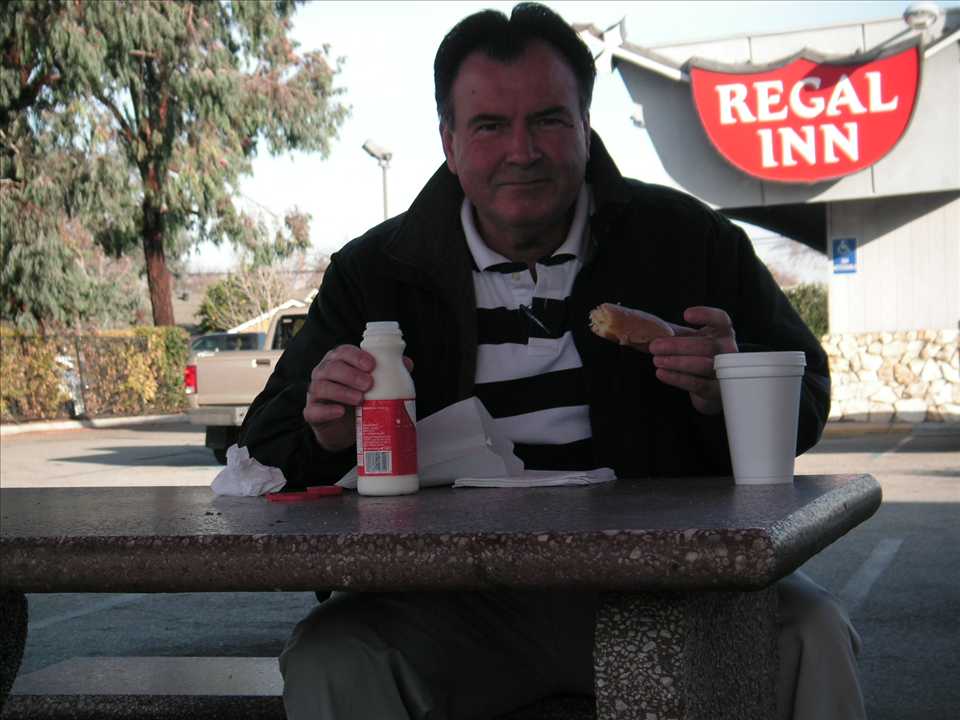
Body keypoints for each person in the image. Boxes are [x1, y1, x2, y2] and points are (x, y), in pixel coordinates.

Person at [239, 4, 865, 719]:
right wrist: (324, 433)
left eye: (548, 120)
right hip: (447, 600)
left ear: (585, 125)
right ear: (448, 141)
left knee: (812, 631)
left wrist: (735, 381)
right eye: (489, 126)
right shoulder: (378, 271)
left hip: (672, 582)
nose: (522, 150)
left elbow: (808, 395)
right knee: (333, 654)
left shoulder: (688, 240)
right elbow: (258, 457)